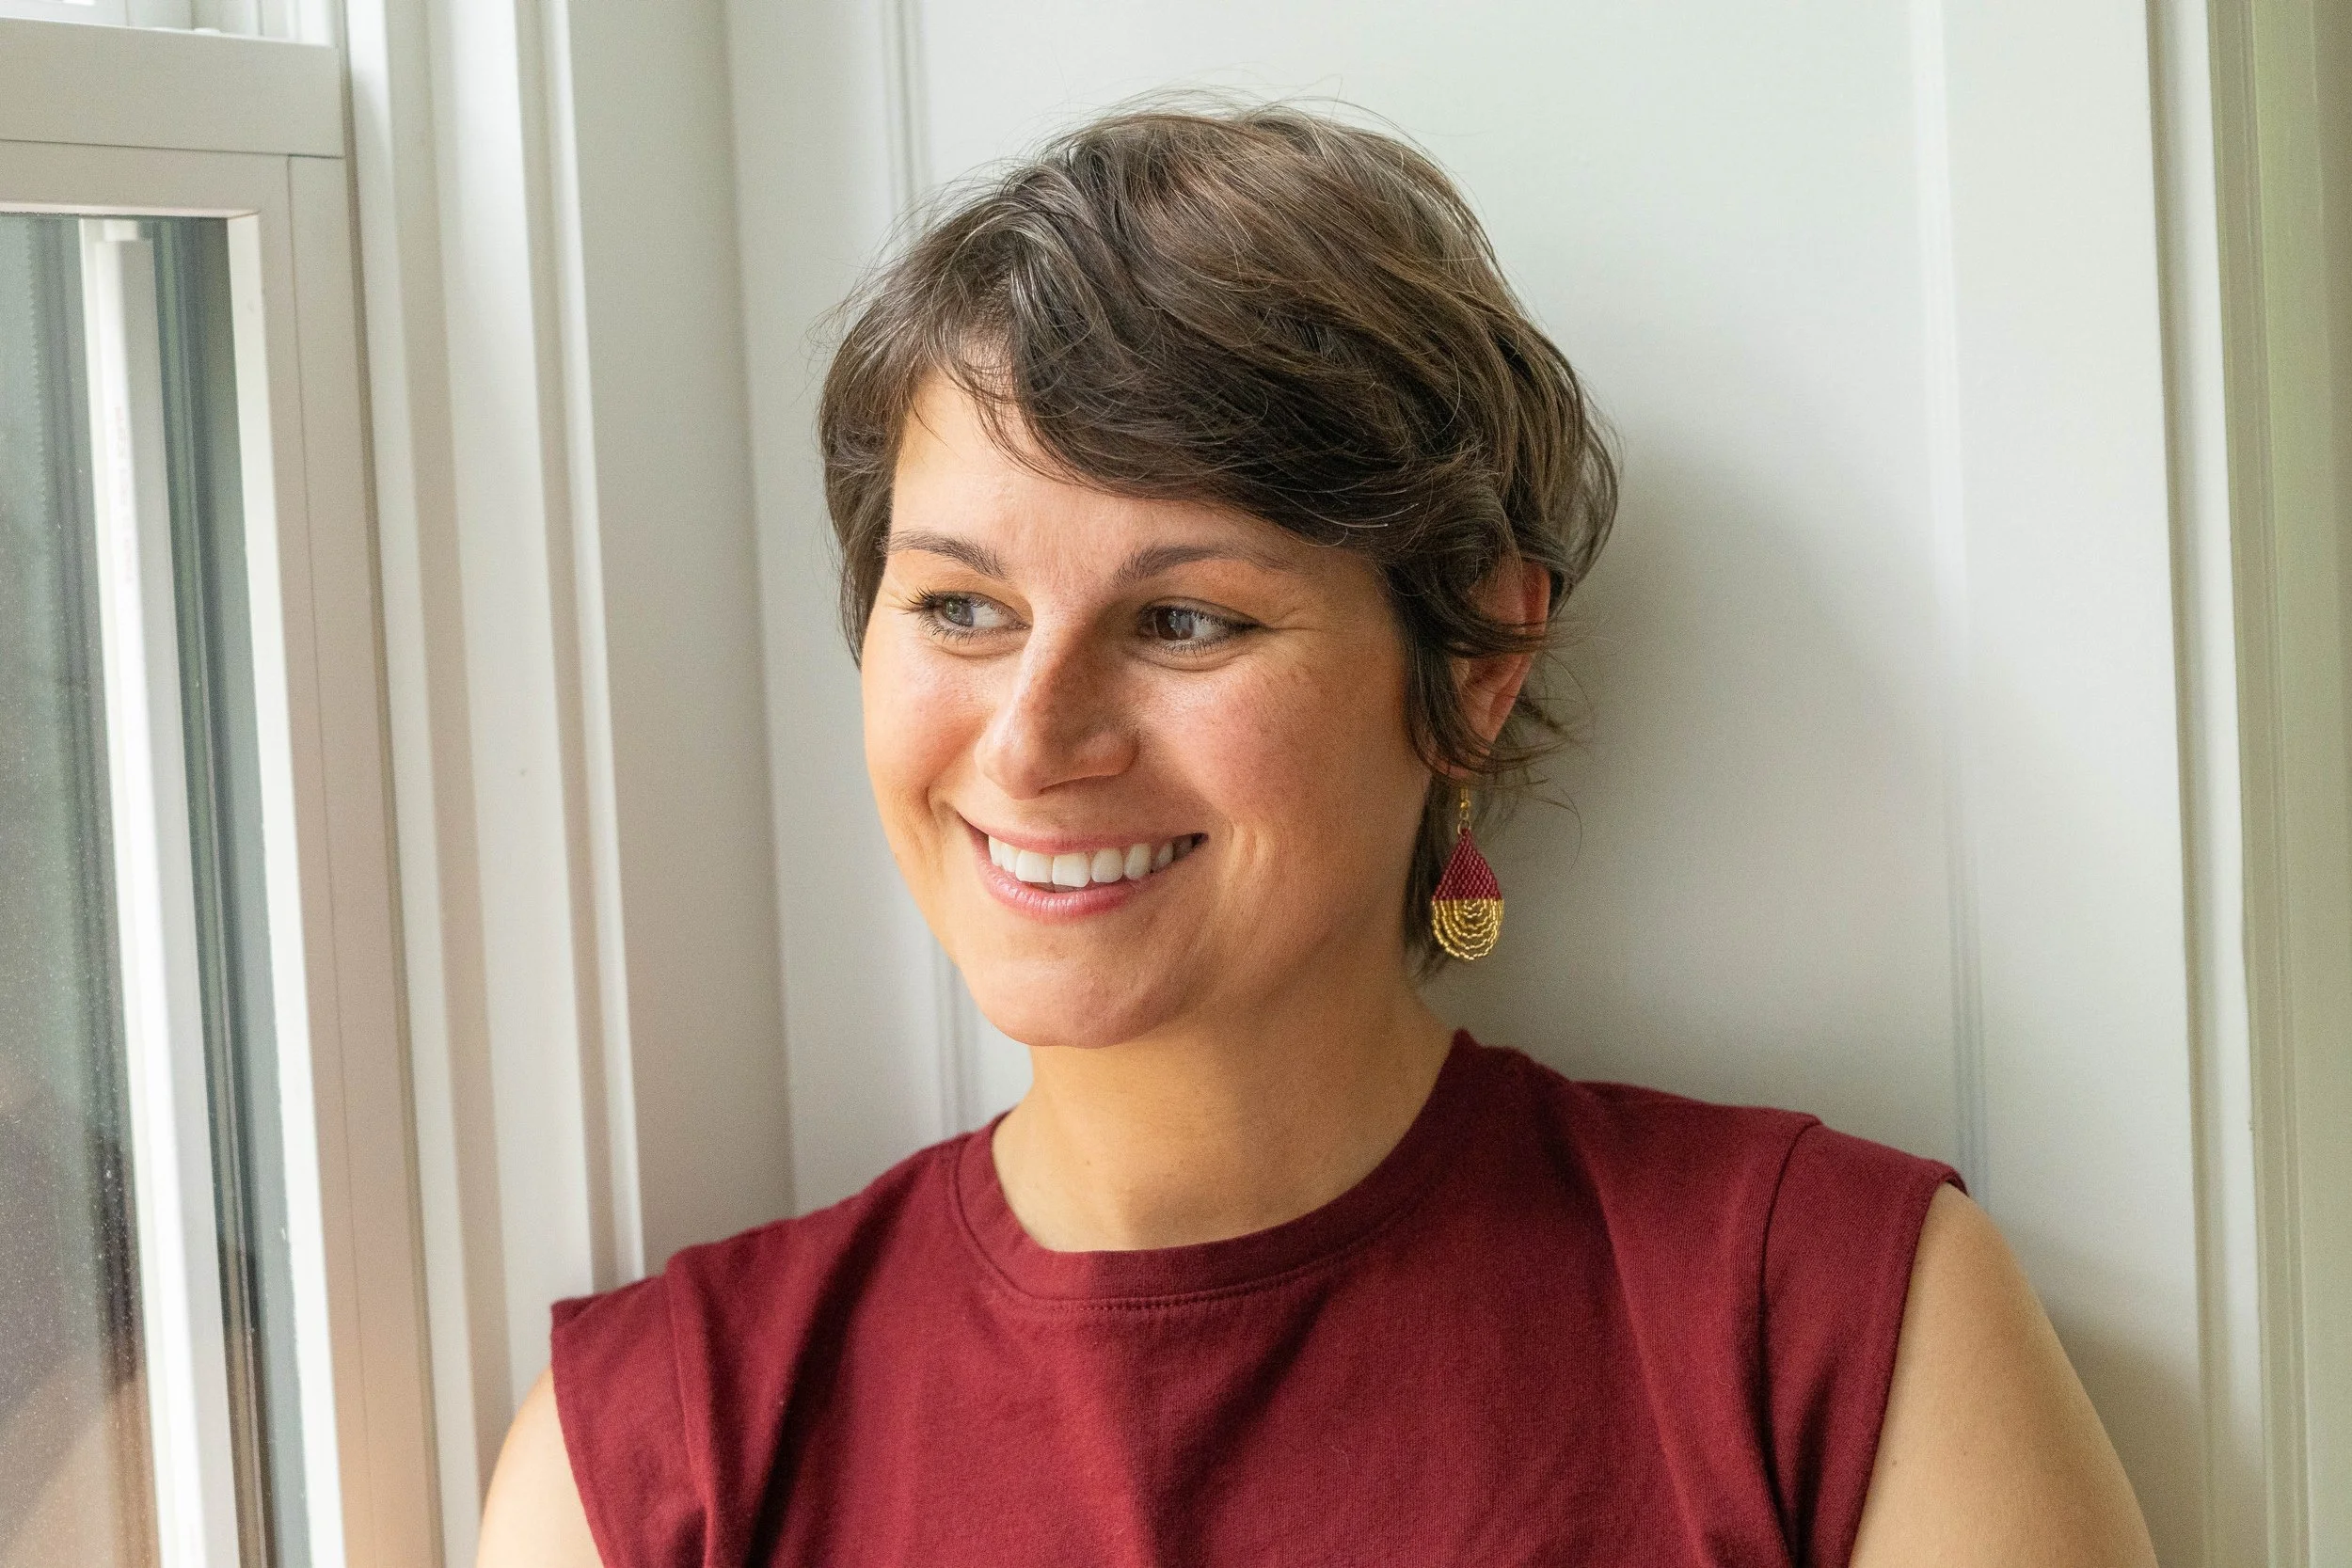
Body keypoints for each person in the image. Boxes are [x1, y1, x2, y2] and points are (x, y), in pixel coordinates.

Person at [476, 101, 2157, 1567]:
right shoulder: (652, 1455)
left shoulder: (1832, 1323)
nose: (1035, 740)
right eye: (962, 605)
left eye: (1188, 621)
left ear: (1482, 662)